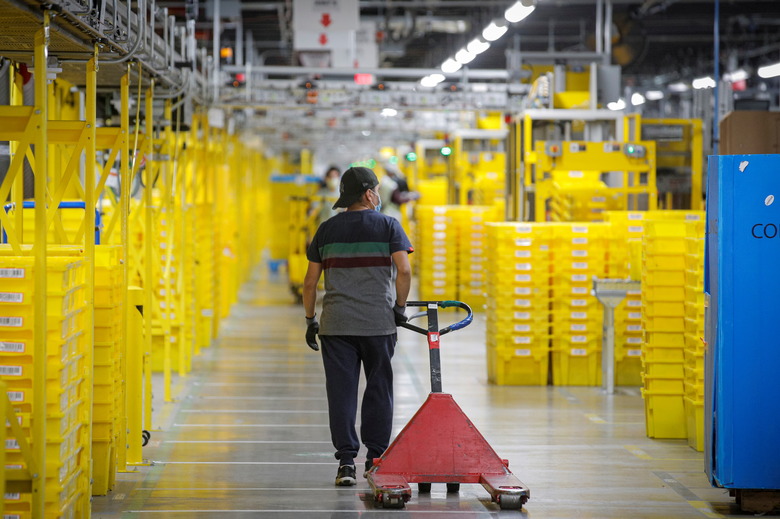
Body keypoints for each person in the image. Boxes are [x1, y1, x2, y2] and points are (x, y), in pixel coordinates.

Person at [302, 166, 413, 486]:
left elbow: (310, 283)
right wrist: (399, 309)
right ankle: (376, 459)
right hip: (378, 323)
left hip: (336, 326)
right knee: (379, 389)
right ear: (369, 194)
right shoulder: (389, 225)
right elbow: (403, 272)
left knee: (341, 393)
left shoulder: (326, 229)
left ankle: (347, 463)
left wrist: (311, 321)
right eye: (376, 189)